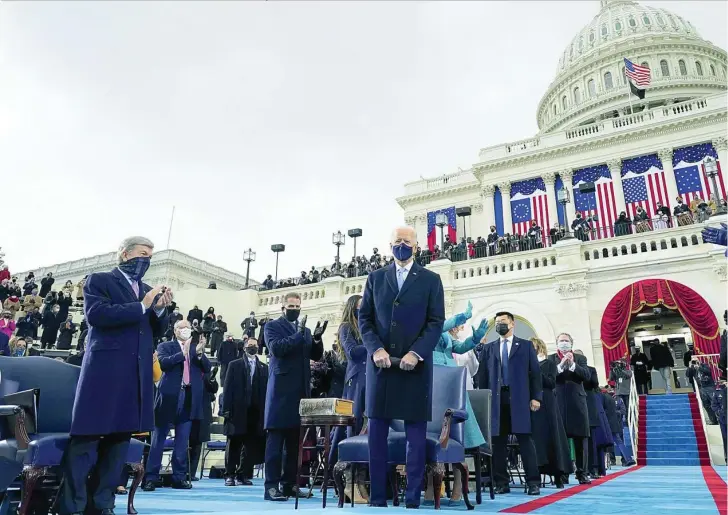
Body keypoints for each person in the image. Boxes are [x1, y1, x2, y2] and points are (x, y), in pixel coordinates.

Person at [60, 236, 172, 515]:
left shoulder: (147, 289)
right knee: (86, 439)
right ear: (125, 254)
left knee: (119, 442)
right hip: (104, 372)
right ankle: (72, 506)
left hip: (135, 374)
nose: (145, 260)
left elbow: (152, 330)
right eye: (142, 253)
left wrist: (159, 310)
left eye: (150, 256)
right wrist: (143, 306)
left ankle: (103, 504)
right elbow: (97, 315)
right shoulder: (99, 280)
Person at [359, 225, 445, 508]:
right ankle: (378, 498)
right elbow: (366, 320)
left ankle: (412, 498)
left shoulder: (431, 280)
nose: (402, 245)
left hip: (414, 368)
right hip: (381, 367)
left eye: (407, 241)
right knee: (377, 435)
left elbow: (435, 322)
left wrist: (417, 353)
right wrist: (376, 349)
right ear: (389, 245)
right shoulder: (375, 278)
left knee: (415, 436)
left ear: (416, 247)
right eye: (397, 241)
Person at [263, 292, 325, 502]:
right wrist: (298, 334)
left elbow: (315, 355)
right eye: (291, 306)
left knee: (294, 444)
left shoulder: (305, 330)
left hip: (300, 392)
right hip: (280, 392)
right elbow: (277, 349)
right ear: (283, 307)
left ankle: (289, 484)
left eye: (298, 306)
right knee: (276, 442)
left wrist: (316, 338)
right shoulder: (272, 327)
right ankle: (271, 486)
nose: (295, 309)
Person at [425, 300, 488, 505]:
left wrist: (475, 338)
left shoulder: (444, 332)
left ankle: (459, 484)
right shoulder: (425, 324)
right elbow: (435, 328)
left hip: (452, 381)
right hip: (431, 379)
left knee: (457, 433)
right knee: (431, 433)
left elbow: (459, 348)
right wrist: (460, 317)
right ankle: (430, 485)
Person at [476, 311, 542, 495]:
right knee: (498, 443)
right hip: (497, 401)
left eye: (503, 322)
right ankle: (501, 482)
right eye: (497, 322)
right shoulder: (489, 349)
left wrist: (536, 397)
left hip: (520, 399)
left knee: (525, 441)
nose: (499, 325)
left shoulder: (526, 346)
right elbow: (482, 377)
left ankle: (533, 482)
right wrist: (483, 400)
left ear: (512, 324)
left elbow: (535, 374)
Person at [142, 320, 211, 491]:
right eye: (182, 327)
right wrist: (183, 352)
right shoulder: (166, 346)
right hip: (168, 397)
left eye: (188, 327)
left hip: (189, 397)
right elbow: (164, 364)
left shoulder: (196, 348)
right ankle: (151, 477)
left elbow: (207, 369)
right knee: (158, 440)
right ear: (175, 330)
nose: (186, 330)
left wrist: (200, 354)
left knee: (182, 441)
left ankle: (179, 478)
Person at [221, 337, 268, 486]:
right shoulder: (234, 365)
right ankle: (230, 474)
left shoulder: (263, 367)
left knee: (250, 445)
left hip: (255, 412)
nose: (253, 348)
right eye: (250, 345)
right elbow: (227, 389)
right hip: (237, 411)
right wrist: (226, 410)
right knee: (234, 444)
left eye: (255, 345)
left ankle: (243, 473)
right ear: (244, 347)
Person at [549, 333, 591, 485]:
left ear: (572, 343)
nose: (564, 343)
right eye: (561, 341)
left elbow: (587, 376)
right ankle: (562, 473)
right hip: (557, 402)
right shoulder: (551, 359)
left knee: (581, 440)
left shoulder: (580, 359)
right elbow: (549, 376)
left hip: (577, 402)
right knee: (561, 441)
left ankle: (582, 473)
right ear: (556, 343)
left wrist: (573, 365)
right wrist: (561, 365)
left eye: (567, 341)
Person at [530, 338, 572, 487]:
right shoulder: (526, 366)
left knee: (551, 439)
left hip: (547, 404)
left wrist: (535, 371)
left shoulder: (548, 363)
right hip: (532, 406)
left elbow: (550, 383)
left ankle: (558, 472)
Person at [189, 366, 219, 481]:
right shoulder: (188, 369)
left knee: (198, 443)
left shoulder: (206, 372)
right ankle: (183, 471)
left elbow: (214, 389)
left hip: (203, 413)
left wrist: (212, 379)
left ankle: (191, 473)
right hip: (189, 411)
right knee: (187, 443)